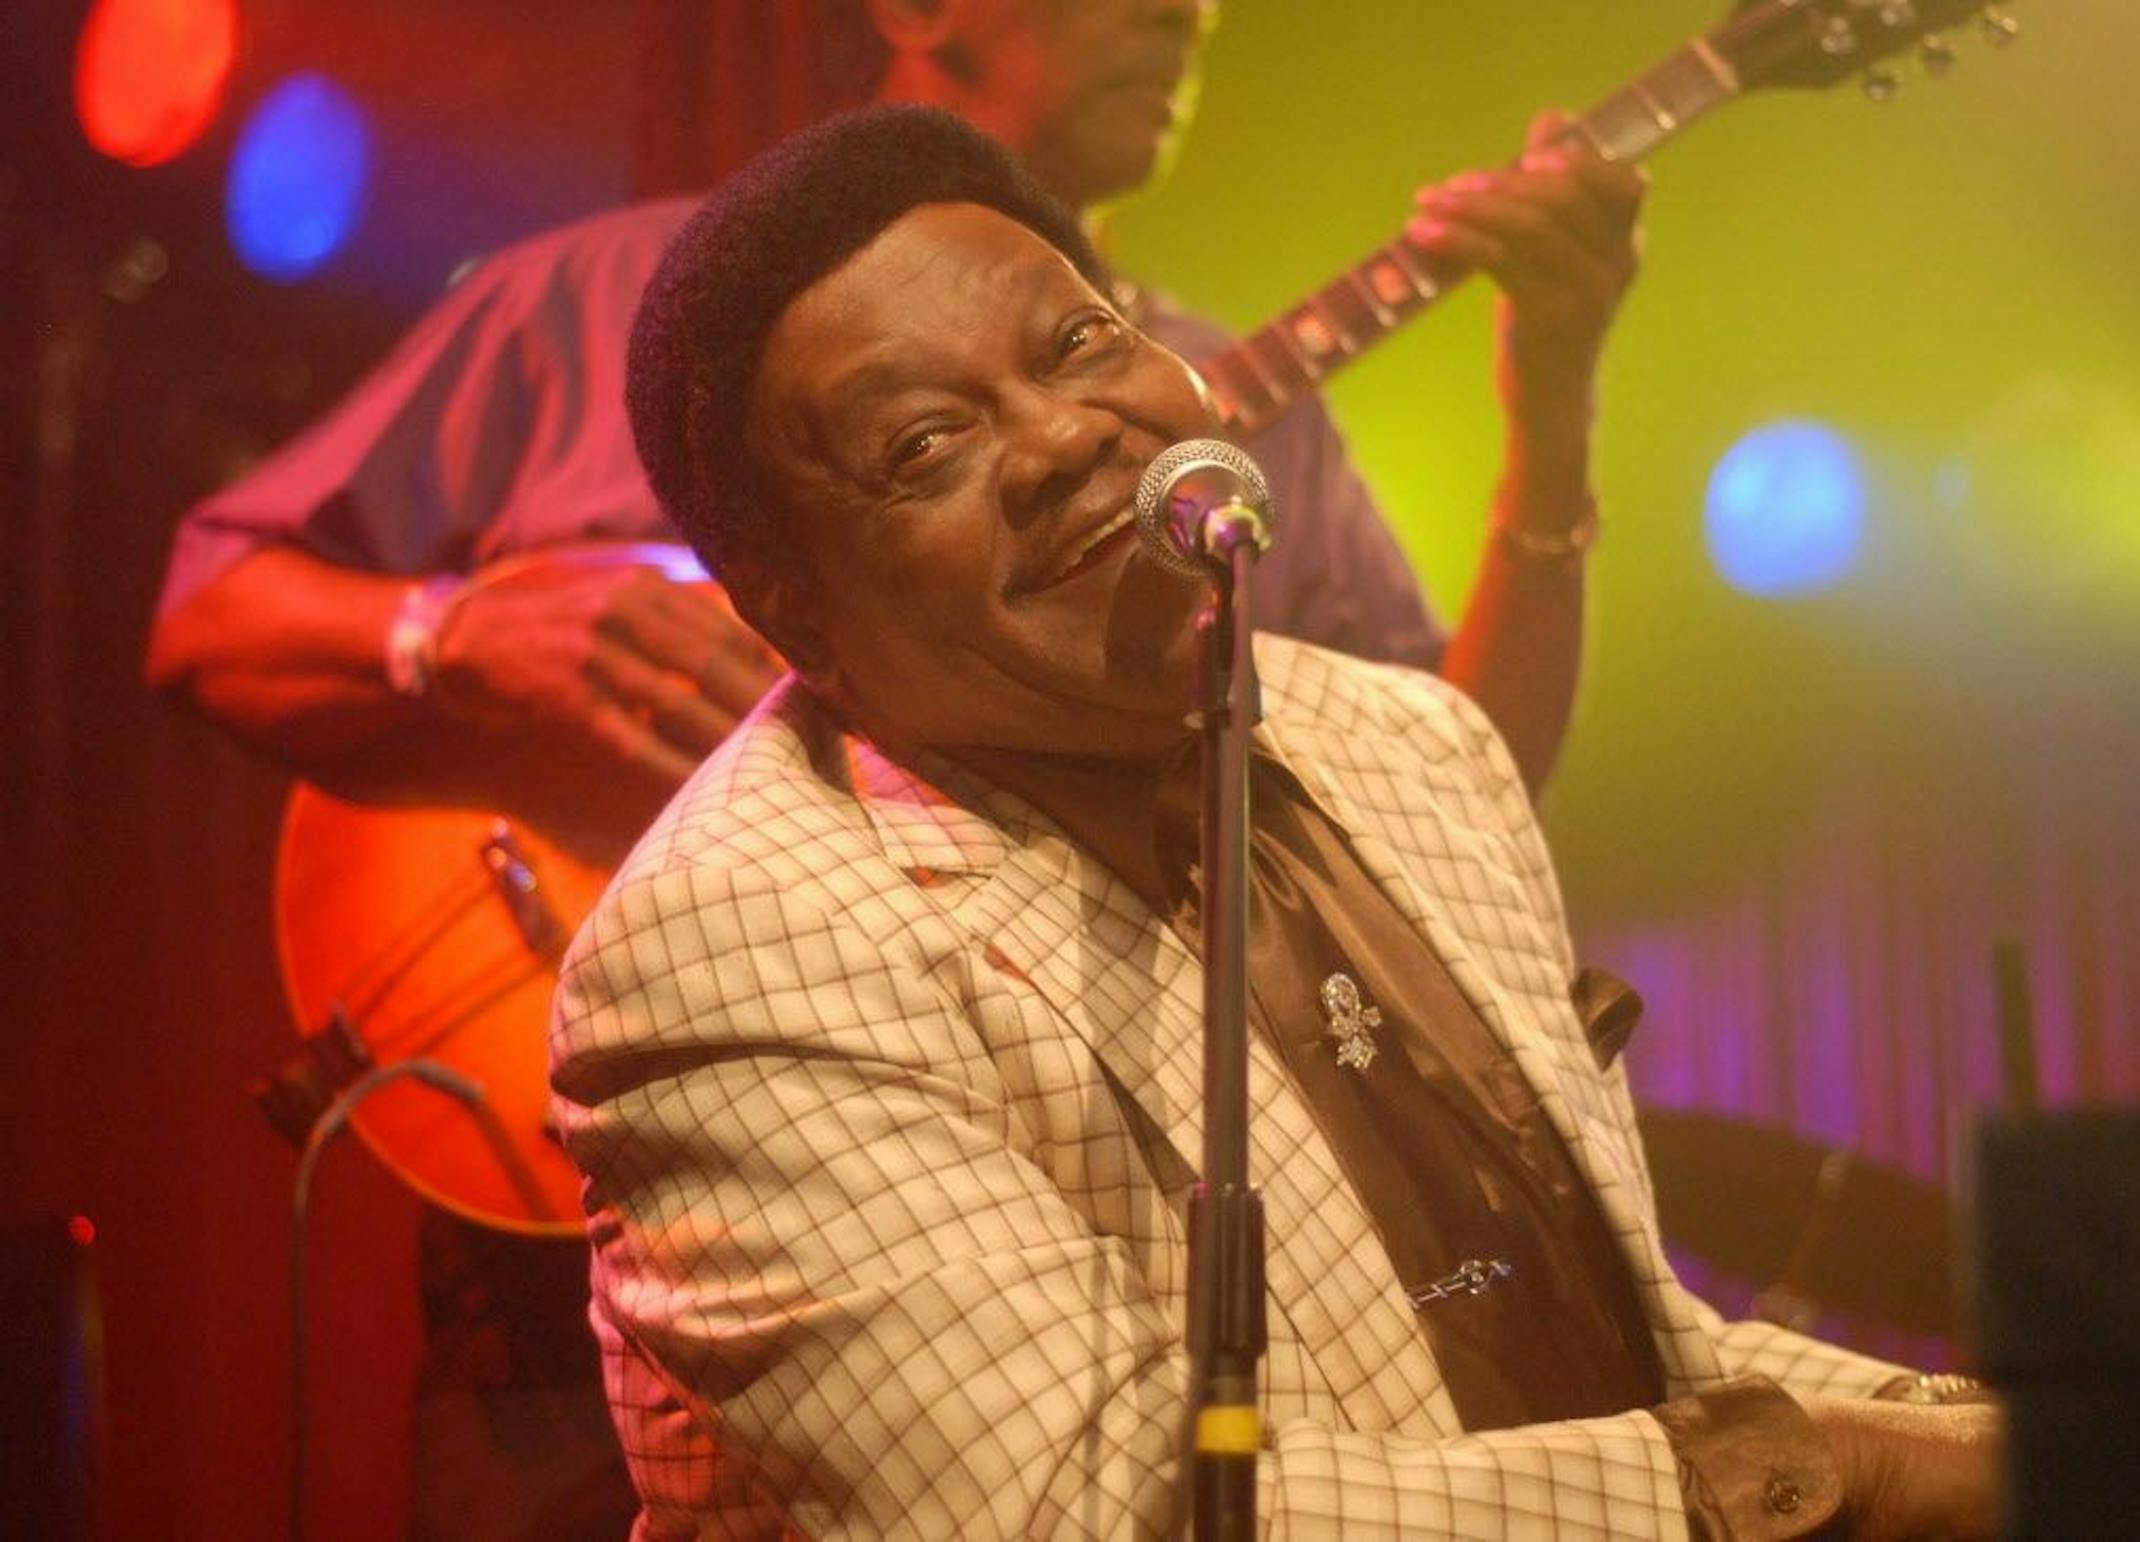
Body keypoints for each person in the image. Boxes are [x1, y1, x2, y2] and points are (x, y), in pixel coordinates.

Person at [145, 3, 1636, 1532]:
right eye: (922, 443)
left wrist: (1558, 415)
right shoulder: (601, 305)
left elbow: (1456, 815)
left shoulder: (1205, 411)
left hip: (1123, 1227)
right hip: (551, 1211)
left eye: (1071, 347)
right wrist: (448, 634)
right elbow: (208, 608)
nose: (1183, 13)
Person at [554, 103, 1999, 1538]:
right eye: (926, 441)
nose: (1061, 434)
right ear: (789, 609)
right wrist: (1850, 1471)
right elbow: (1091, 1513)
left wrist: (2015, 1439)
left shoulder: (1411, 745)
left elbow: (1634, 1361)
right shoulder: (739, 938)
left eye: (1078, 342)